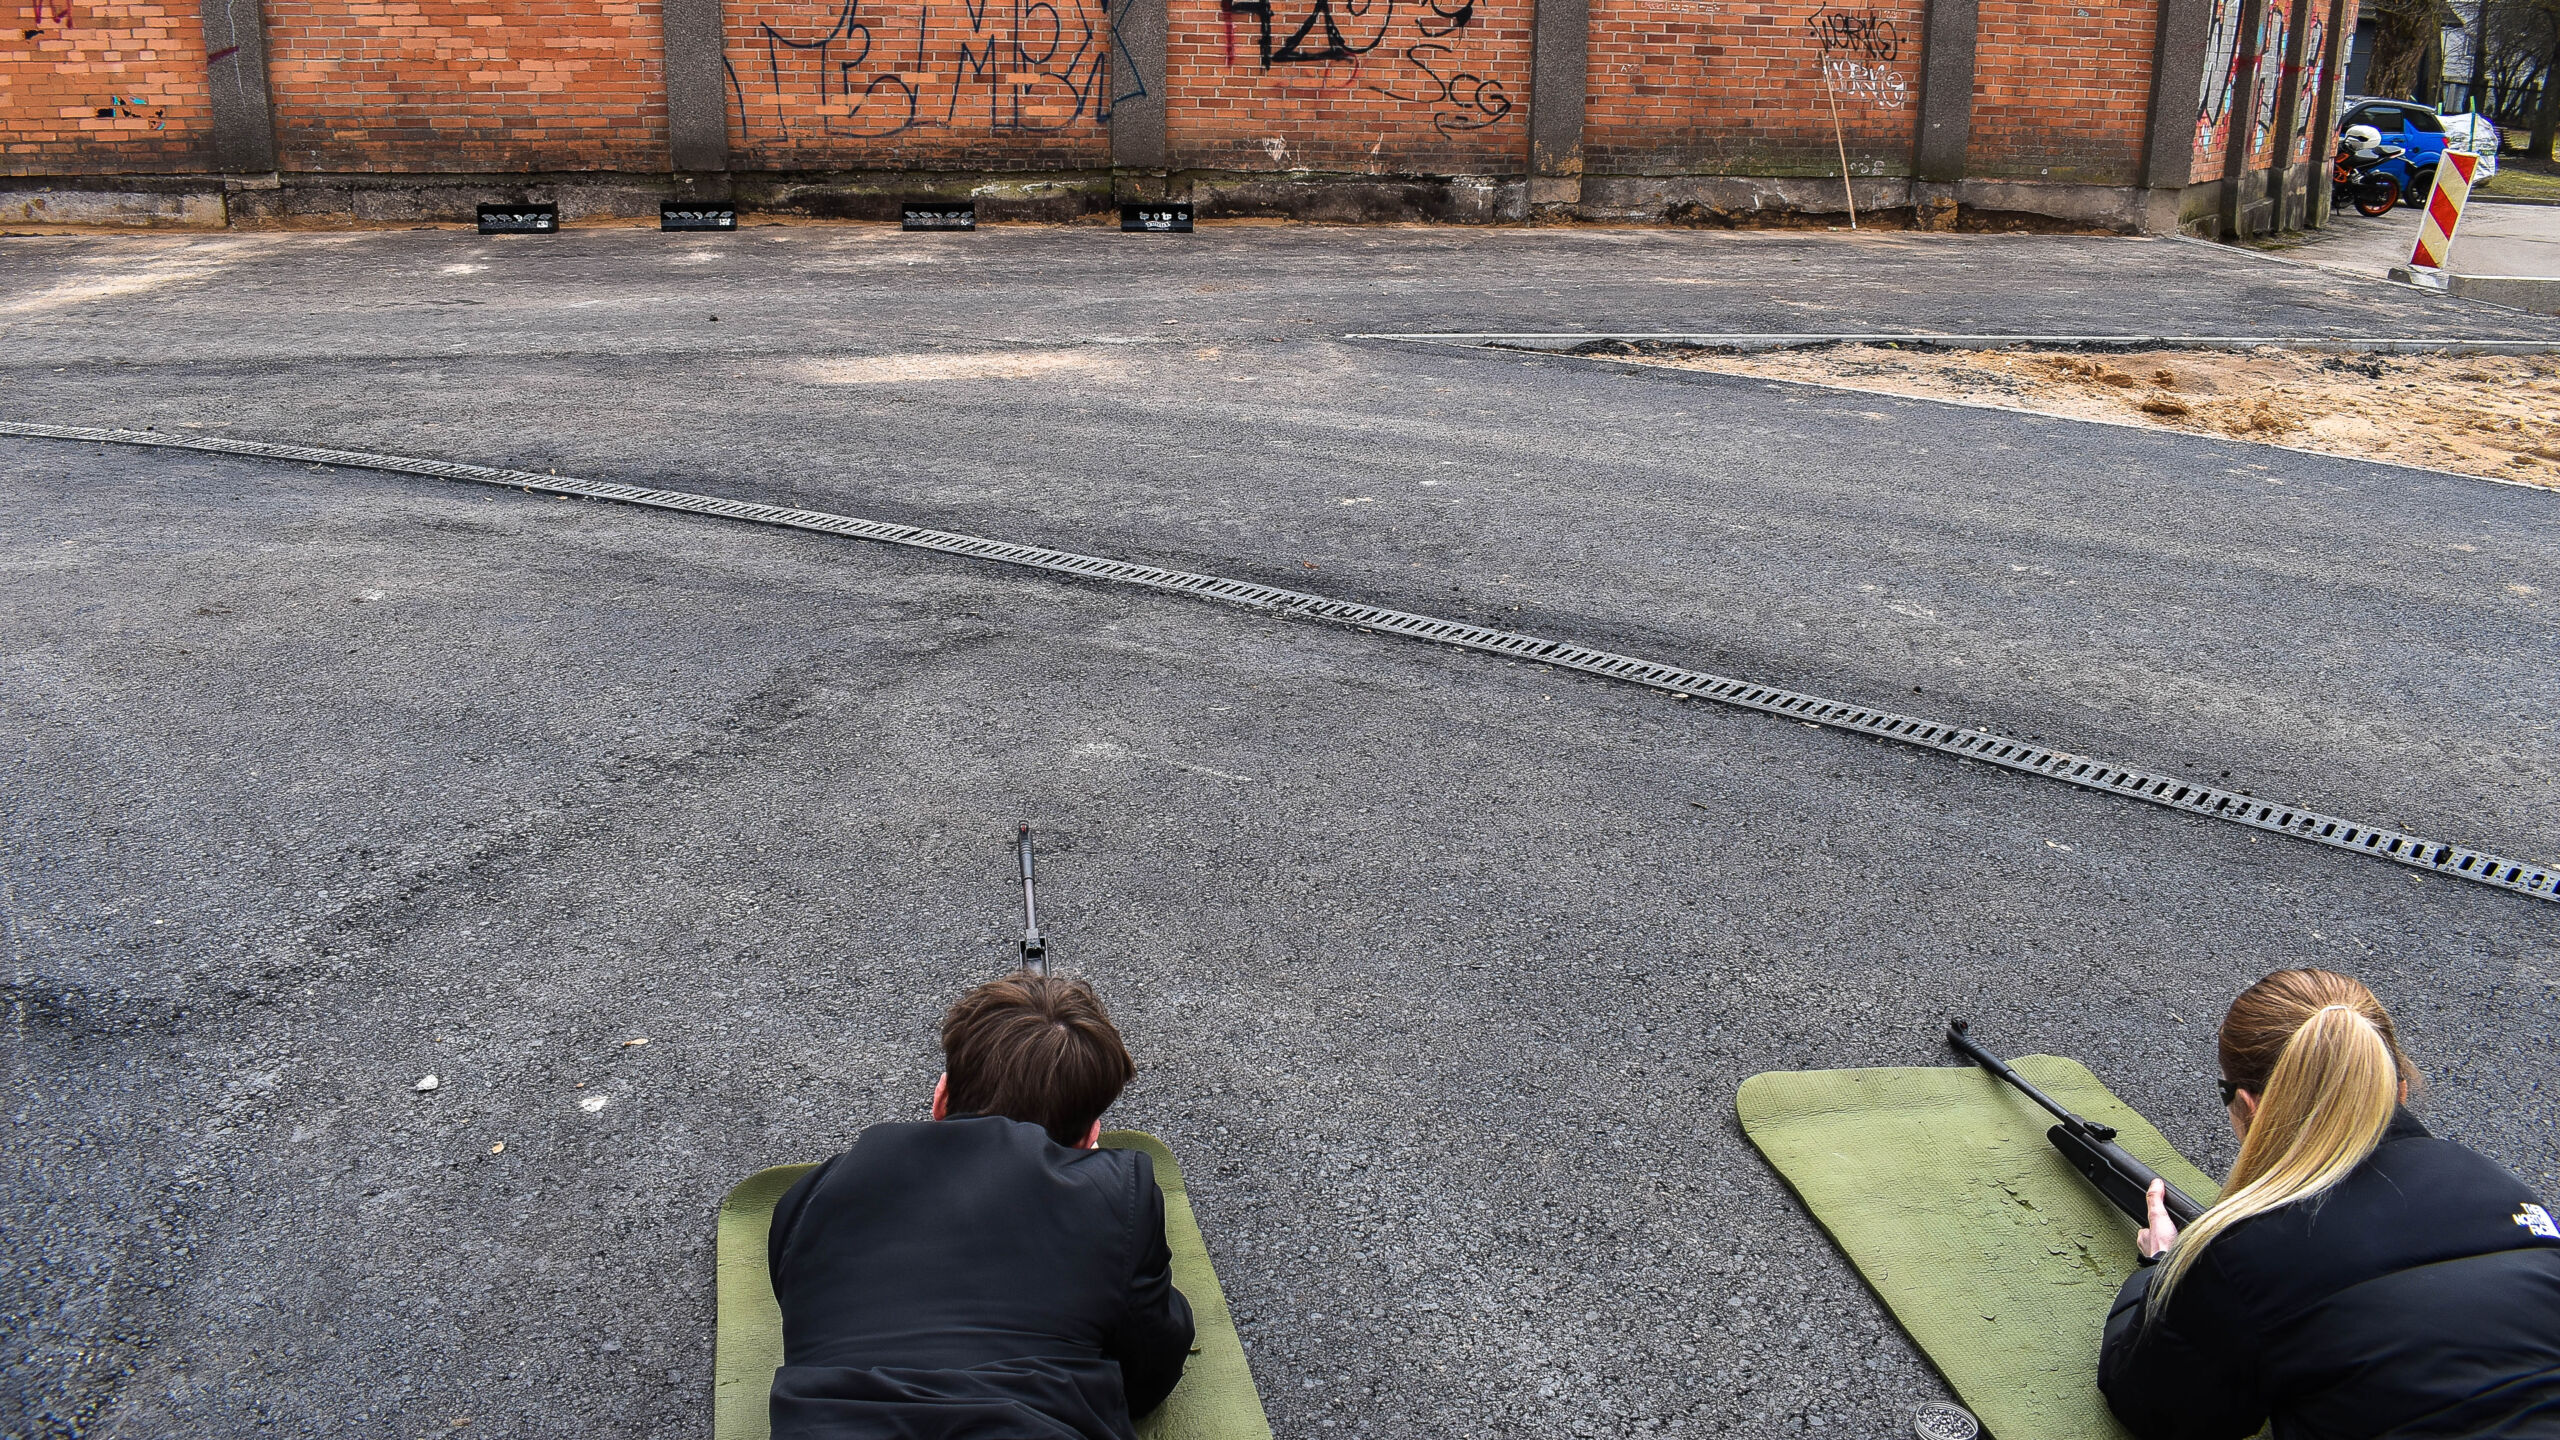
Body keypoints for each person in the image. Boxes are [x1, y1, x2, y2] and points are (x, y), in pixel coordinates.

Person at [2098, 968, 2560, 1439]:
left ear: (2250, 1107)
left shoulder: (2243, 1252)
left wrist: (2165, 1267)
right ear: (2399, 1088)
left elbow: (2153, 1406)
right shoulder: (2506, 1190)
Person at [766, 973, 1193, 1440]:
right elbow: (1148, 1374)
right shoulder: (1117, 1193)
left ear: (941, 1098)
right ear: (1090, 1136)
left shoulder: (808, 1196)